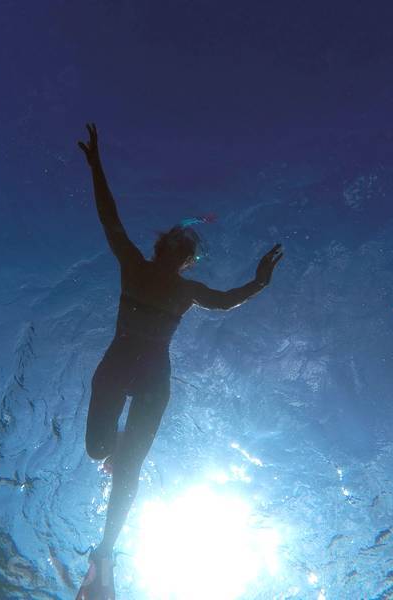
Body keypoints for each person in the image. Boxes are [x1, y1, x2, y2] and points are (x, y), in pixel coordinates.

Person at [75, 123, 283, 599]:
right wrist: (95, 164)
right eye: (176, 241)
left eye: (187, 248)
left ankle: (104, 553)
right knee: (96, 450)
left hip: (153, 376)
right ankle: (117, 448)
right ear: (161, 246)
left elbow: (227, 301)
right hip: (117, 363)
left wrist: (261, 282)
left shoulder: (187, 290)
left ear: (188, 260)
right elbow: (109, 217)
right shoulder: (133, 264)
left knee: (129, 465)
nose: (180, 249)